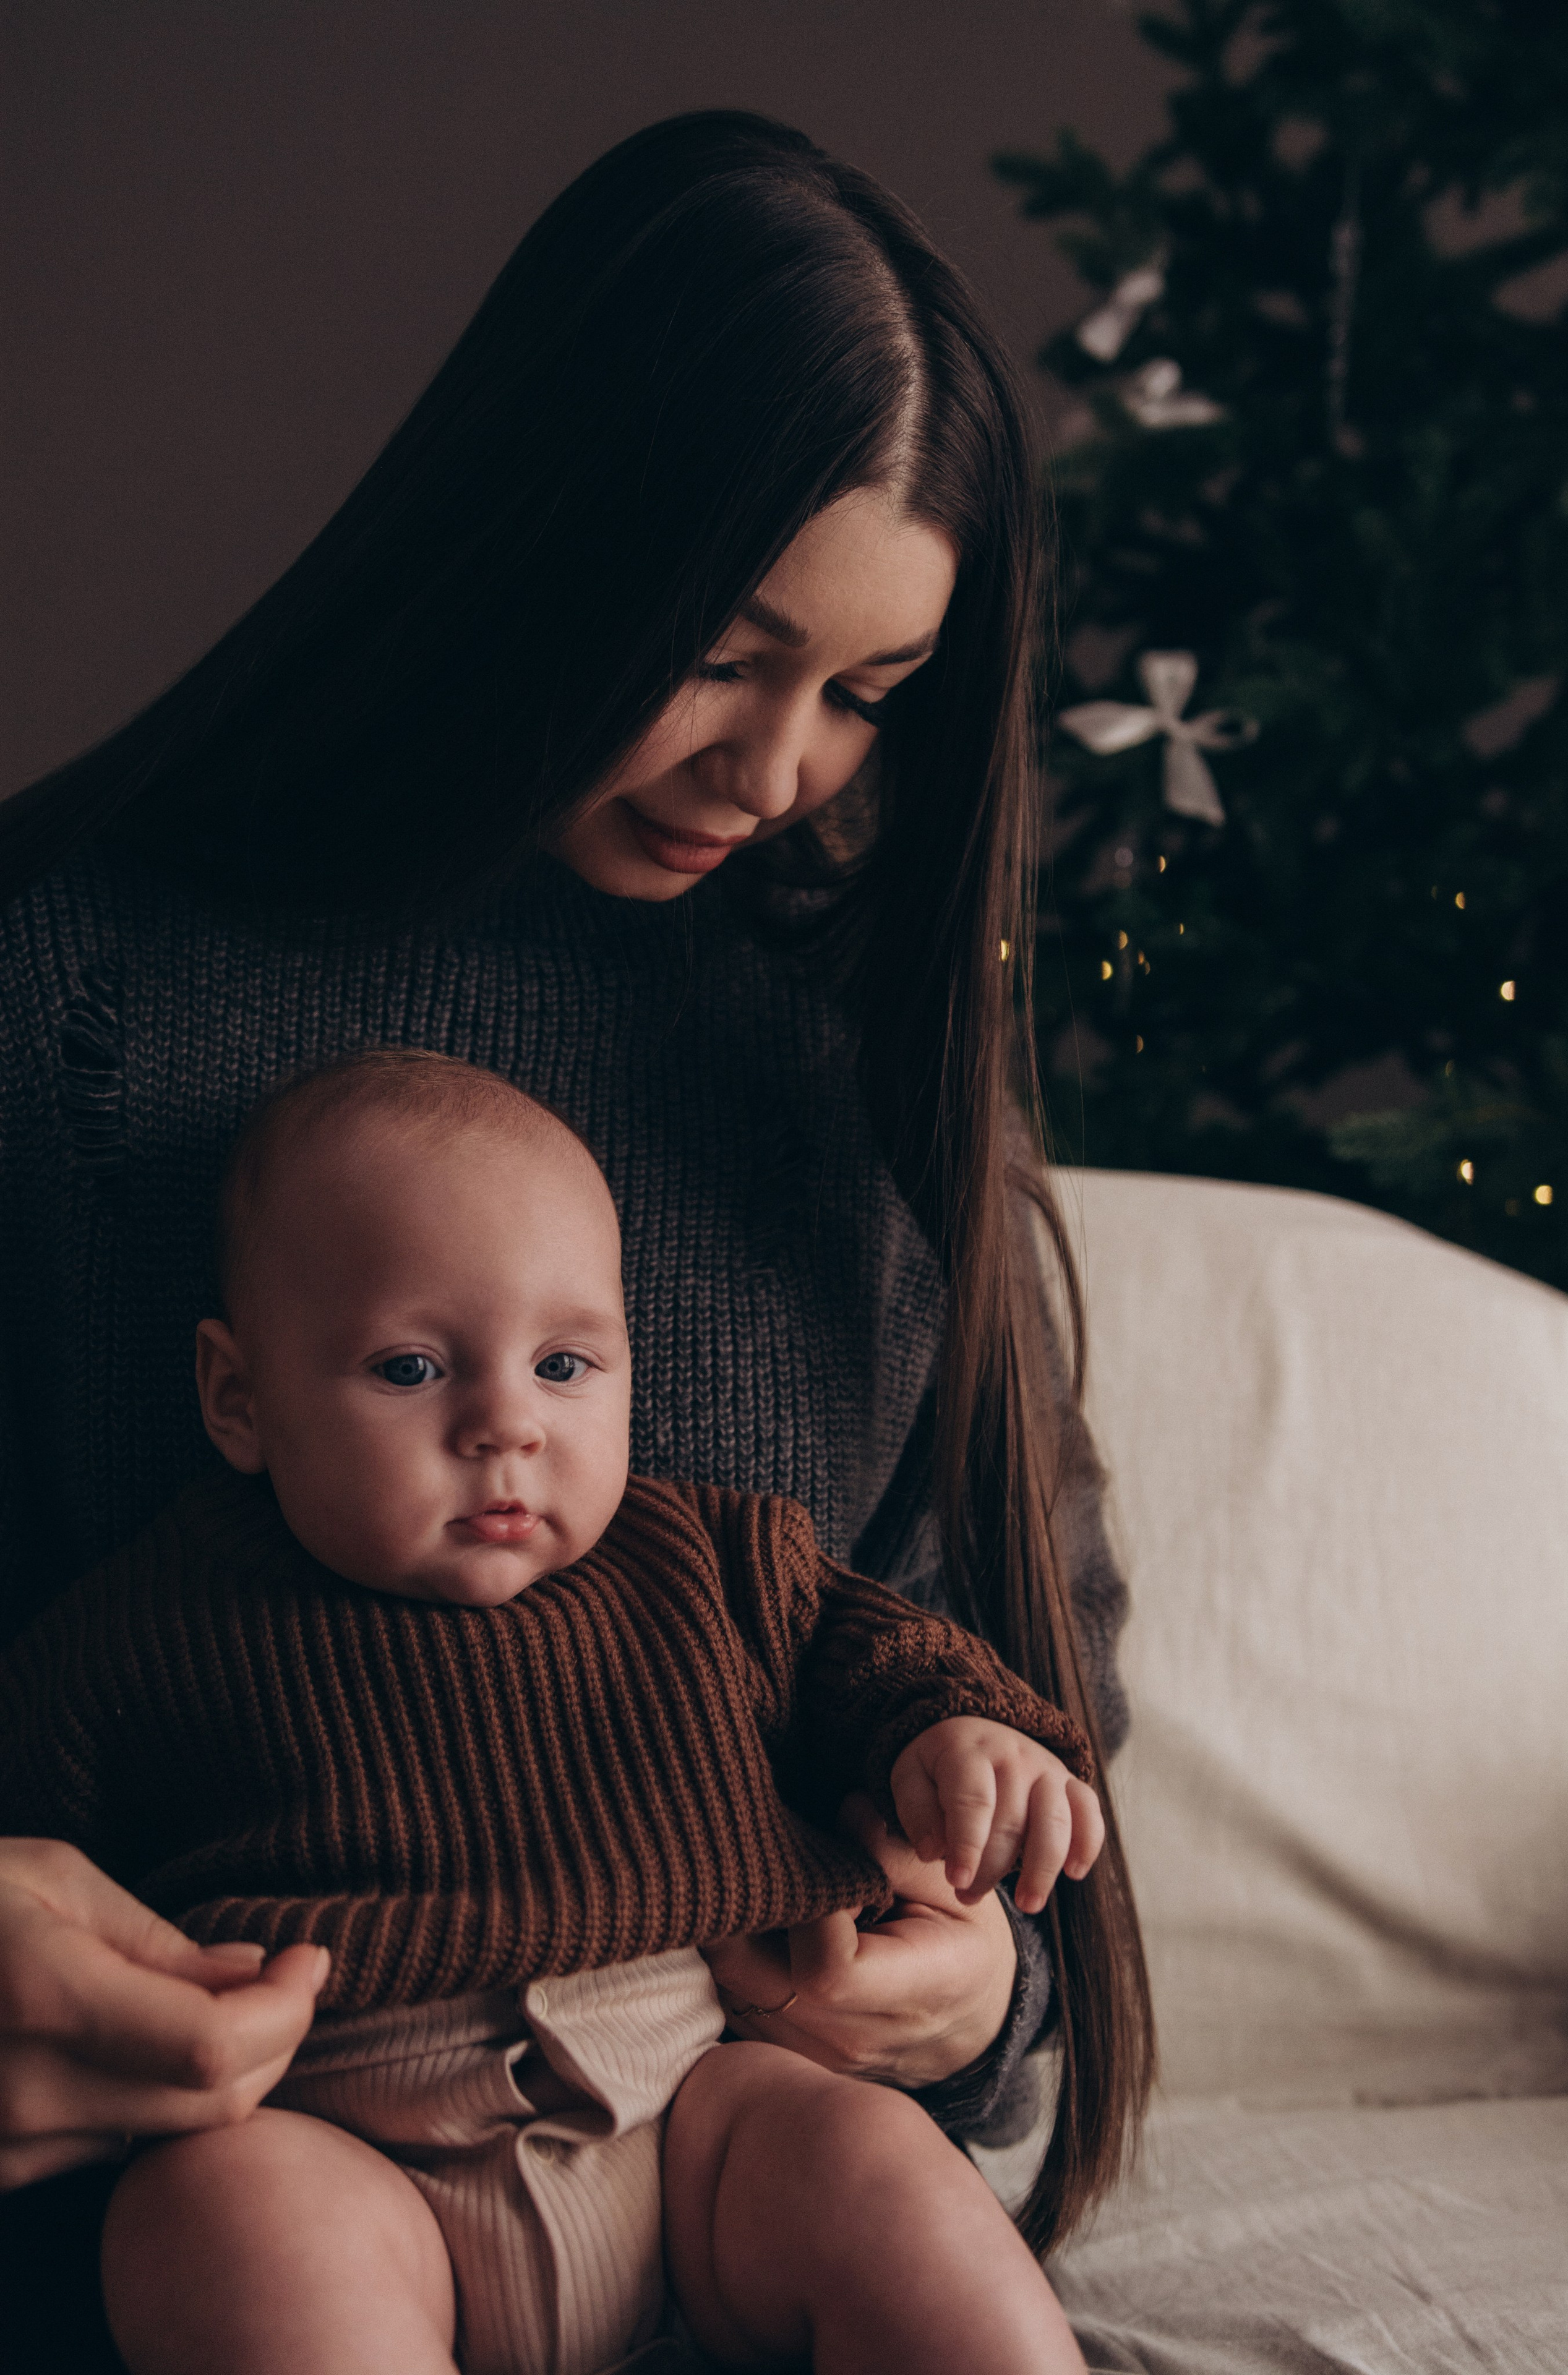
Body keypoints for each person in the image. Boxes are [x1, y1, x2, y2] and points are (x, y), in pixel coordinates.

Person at [0, 109, 1152, 2366]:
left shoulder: (852, 1068)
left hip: (724, 2175)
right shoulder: (72, 1007)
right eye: (727, 655)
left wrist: (981, 1984)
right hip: (255, 2197)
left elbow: (984, 1688)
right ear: (537, 553)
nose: (785, 773)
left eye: (870, 698)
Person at [6, 1048, 1106, 2374]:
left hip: (694, 2114)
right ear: (239, 1398)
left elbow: (879, 1656)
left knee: (871, 2167)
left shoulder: (709, 1562)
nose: (504, 1425)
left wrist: (960, 1737)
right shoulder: (145, 1632)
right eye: (410, 1369)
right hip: (339, 2138)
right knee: (210, 2215)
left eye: (567, 1364)